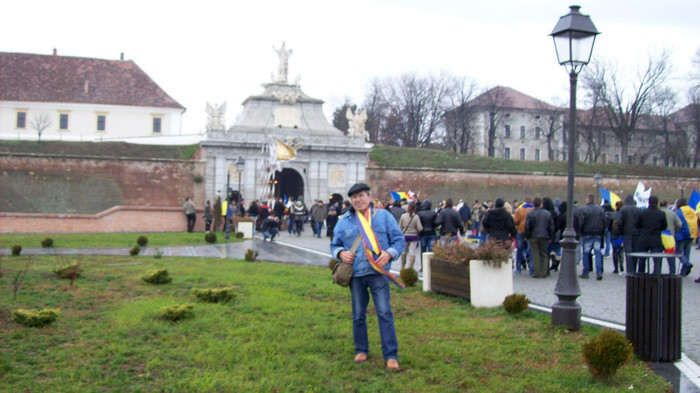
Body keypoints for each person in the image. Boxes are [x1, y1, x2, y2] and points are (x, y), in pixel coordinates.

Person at [330, 183, 405, 371]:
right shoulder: (344, 221)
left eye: (361, 195)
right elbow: (334, 245)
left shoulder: (383, 217)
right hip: (356, 274)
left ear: (370, 197)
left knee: (384, 313)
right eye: (354, 197)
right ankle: (361, 349)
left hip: (378, 273)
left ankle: (391, 355)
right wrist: (340, 253)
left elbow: (399, 240)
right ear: (351, 201)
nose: (358, 200)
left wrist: (389, 253)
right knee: (358, 315)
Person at [575, 194, 607, 280]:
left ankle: (586, 272)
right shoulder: (601, 210)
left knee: (586, 253)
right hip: (597, 234)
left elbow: (581, 222)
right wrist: (602, 232)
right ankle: (599, 272)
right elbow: (604, 222)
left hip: (587, 234)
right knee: (598, 253)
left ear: (588, 199)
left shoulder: (584, 209)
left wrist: (581, 232)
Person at [635, 196, 667, 274]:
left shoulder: (642, 213)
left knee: (642, 259)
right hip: (656, 239)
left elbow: (637, 225)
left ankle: (641, 276)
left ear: (648, 202)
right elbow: (664, 226)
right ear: (657, 203)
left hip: (644, 239)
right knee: (657, 260)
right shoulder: (661, 213)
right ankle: (656, 276)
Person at [524, 197, 554, 278]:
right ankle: (544, 271)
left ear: (533, 204)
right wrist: (551, 236)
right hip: (544, 235)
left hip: (533, 236)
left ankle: (537, 272)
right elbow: (551, 226)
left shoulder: (530, 213)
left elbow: (527, 226)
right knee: (544, 253)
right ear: (541, 204)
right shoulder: (547, 213)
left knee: (535, 254)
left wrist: (527, 236)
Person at [615, 195, 642, 273]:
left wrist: (621, 231)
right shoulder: (639, 210)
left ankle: (630, 271)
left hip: (626, 233)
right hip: (637, 234)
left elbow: (619, 222)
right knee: (635, 252)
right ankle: (634, 268)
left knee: (628, 252)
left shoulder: (623, 210)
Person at [674, 198, 697, 277]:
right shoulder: (691, 210)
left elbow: (677, 223)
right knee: (687, 253)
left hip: (681, 235)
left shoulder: (678, 212)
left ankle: (687, 263)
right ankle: (684, 271)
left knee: (678, 252)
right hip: (691, 234)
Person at [399, 201, 423, 270]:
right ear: (414, 208)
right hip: (414, 236)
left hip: (405, 236)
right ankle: (410, 267)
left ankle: (402, 267)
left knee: (404, 252)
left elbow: (399, 227)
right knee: (412, 252)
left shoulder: (403, 216)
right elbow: (420, 228)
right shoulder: (416, 217)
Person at [660, 200, 682, 274]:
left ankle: (657, 272)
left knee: (657, 256)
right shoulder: (672, 213)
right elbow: (679, 224)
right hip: (669, 237)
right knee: (671, 257)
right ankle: (672, 272)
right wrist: (674, 231)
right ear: (667, 205)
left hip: (659, 237)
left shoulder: (657, 213)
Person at [513, 198, 534, 274]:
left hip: (520, 231)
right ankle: (531, 269)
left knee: (519, 249)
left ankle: (518, 268)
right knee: (531, 250)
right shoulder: (533, 210)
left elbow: (515, 221)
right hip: (530, 232)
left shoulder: (519, 210)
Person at [609, 201, 625, 275]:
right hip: (621, 235)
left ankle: (616, 268)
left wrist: (610, 230)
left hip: (614, 235)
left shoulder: (612, 214)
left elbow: (609, 225)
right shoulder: (624, 214)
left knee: (615, 251)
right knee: (621, 251)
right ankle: (621, 264)